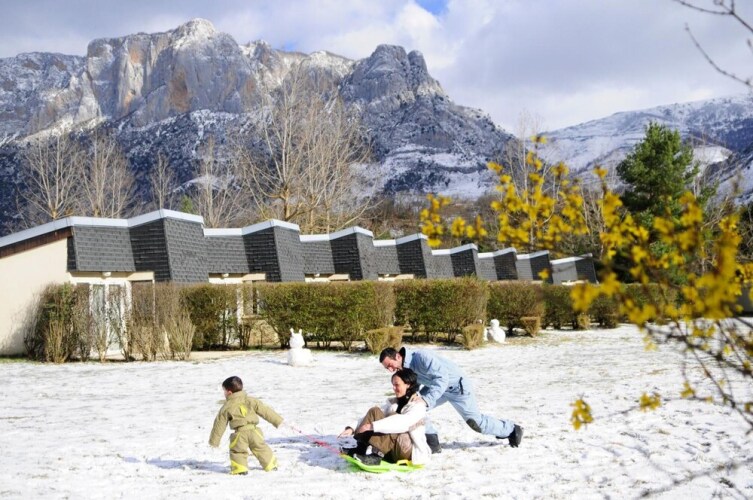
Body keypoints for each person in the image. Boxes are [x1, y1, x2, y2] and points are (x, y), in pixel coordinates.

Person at [379, 347, 523, 451]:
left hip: (457, 388)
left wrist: (426, 399)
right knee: (414, 407)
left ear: (398, 356)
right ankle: (432, 442)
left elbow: (442, 378)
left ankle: (511, 430)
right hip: (436, 388)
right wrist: (407, 399)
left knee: (476, 423)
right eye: (387, 368)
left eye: (390, 365)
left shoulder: (422, 357)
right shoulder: (404, 368)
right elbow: (415, 384)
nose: (391, 370)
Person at [338, 368, 432, 466]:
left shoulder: (418, 405)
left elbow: (403, 423)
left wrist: (372, 426)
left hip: (407, 451)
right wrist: (352, 428)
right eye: (393, 385)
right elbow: (373, 416)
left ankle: (376, 456)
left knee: (393, 419)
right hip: (392, 448)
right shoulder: (394, 402)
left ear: (408, 384)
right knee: (374, 411)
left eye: (397, 385)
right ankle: (361, 449)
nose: (394, 388)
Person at [208, 376, 284, 475]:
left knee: (238, 451)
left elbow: (219, 425)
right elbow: (266, 411)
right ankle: (271, 465)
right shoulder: (251, 400)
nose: (224, 393)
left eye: (224, 391)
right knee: (261, 448)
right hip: (255, 432)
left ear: (229, 392)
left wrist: (214, 442)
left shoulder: (226, 407)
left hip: (239, 435)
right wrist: (278, 421)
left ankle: (240, 469)